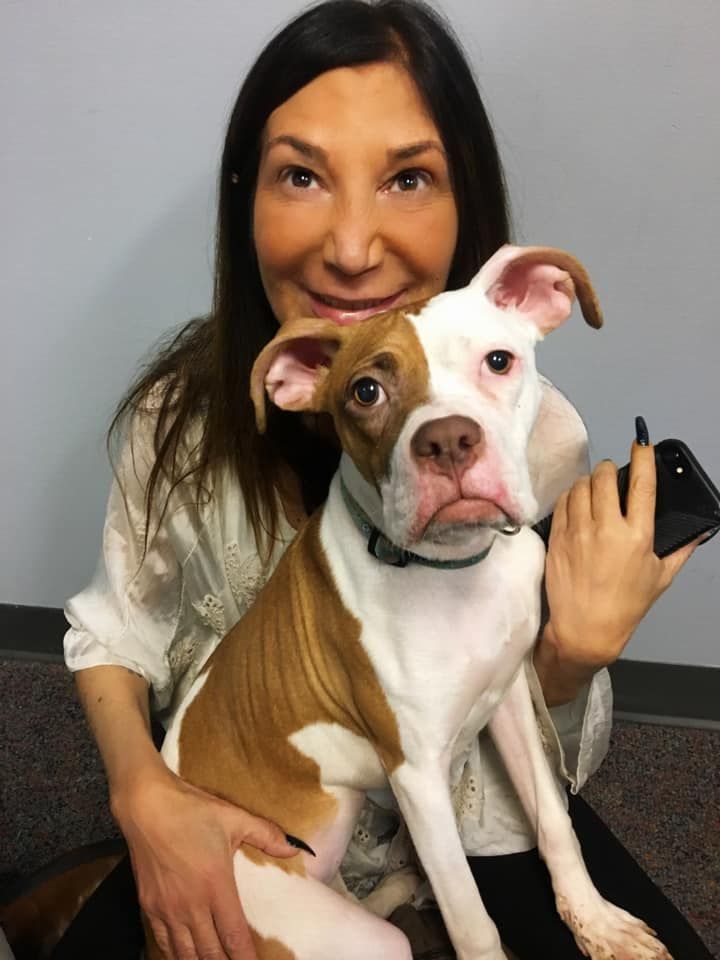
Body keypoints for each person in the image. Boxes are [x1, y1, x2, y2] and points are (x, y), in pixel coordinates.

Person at [57, 2, 713, 959]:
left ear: (468, 202)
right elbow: (113, 631)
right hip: (229, 808)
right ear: (244, 194)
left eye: (408, 177)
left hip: (464, 823)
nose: (354, 247)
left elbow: (502, 787)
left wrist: (570, 657)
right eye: (301, 175)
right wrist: (141, 795)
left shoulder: (536, 438)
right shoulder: (180, 418)